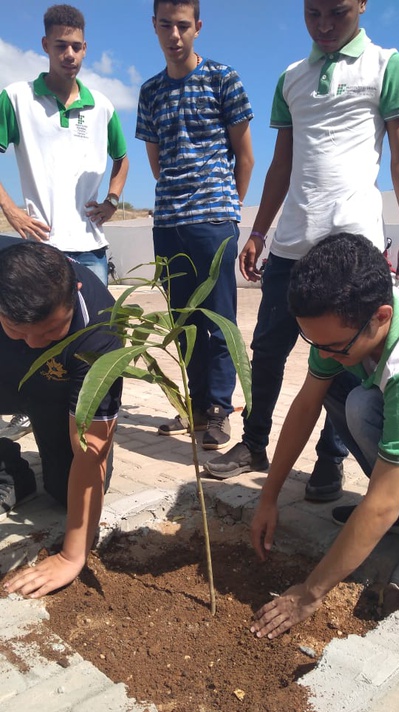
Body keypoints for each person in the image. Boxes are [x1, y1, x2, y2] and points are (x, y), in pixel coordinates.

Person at [204, 0, 399, 501]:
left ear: (362, 6)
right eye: (313, 13)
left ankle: (330, 460)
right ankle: (254, 442)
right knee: (267, 350)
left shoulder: (388, 65)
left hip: (352, 245)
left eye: (338, 13)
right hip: (291, 242)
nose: (324, 25)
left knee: (348, 357)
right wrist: (259, 230)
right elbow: (281, 162)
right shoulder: (290, 77)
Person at [249, 232, 399, 639]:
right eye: (314, 342)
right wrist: (268, 497)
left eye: (332, 345)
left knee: (364, 408)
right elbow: (304, 407)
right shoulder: (341, 324)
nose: (322, 352)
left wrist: (309, 594)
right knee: (347, 395)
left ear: (381, 317)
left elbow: (379, 505)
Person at [0, 4, 128, 440]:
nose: (69, 54)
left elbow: (122, 157)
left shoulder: (104, 105)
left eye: (76, 47)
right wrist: (12, 210)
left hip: (91, 249)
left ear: (85, 48)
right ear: (45, 46)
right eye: (60, 46)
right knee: (33, 336)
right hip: (43, 248)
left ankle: (89, 414)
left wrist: (113, 198)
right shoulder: (17, 97)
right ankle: (30, 409)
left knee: (90, 343)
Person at [136, 0, 254, 450]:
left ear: (198, 27)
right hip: (168, 221)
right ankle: (194, 405)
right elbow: (157, 163)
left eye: (183, 25)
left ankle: (219, 409)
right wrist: (179, 199)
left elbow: (245, 156)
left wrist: (227, 208)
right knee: (182, 320)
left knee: (219, 318)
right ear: (155, 26)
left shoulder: (224, 78)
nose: (174, 35)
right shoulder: (150, 92)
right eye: (165, 25)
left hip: (213, 220)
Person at [0, 240, 123, 599]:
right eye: (19, 330)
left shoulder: (101, 329)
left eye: (52, 331)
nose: (36, 344)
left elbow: (91, 449)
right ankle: (6, 464)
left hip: (60, 383)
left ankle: (25, 478)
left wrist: (72, 556)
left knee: (65, 493)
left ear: (77, 292)